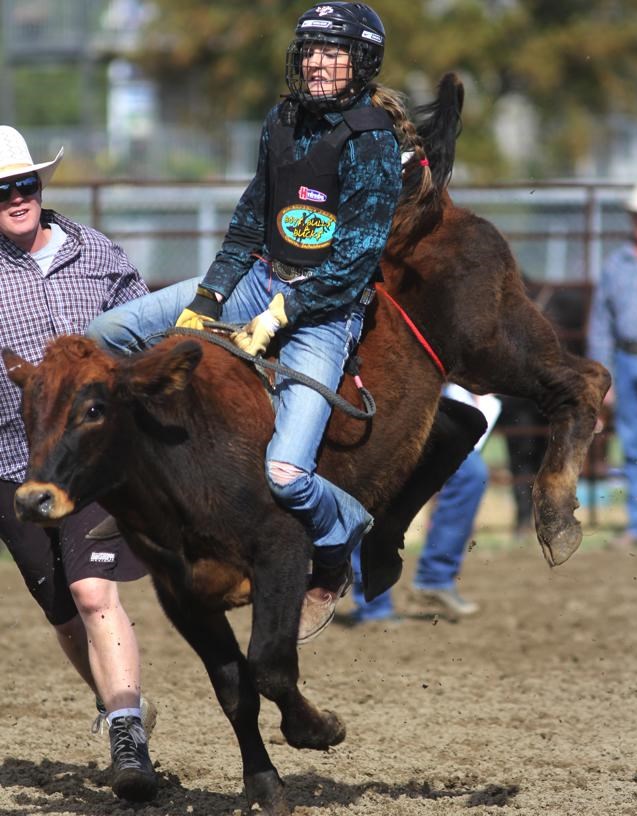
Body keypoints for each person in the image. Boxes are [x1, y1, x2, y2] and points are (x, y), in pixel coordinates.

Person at [87, 3, 430, 643]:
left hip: (325, 315)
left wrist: (284, 314)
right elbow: (250, 220)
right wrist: (211, 297)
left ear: (362, 63)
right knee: (108, 336)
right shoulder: (283, 119)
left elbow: (354, 265)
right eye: (310, 51)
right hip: (256, 281)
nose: (318, 63)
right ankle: (135, 483)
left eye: (334, 52)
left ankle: (347, 529)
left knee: (287, 476)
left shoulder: (373, 142)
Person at [0, 125, 158, 802]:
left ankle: (126, 731)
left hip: (91, 461)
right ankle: (121, 704)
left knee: (95, 594)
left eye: (24, 183)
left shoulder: (97, 253)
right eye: (1, 189)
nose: (15, 197)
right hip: (11, 457)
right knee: (62, 610)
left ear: (41, 186)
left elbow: (145, 332)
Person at [348, 387, 500, 623]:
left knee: (471, 473)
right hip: (380, 391)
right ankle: (373, 604)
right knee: (372, 482)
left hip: (425, 394)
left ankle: (436, 577)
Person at [587, 183, 637, 551]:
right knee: (633, 444)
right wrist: (604, 377)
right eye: (636, 217)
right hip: (625, 357)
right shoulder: (615, 264)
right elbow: (601, 323)